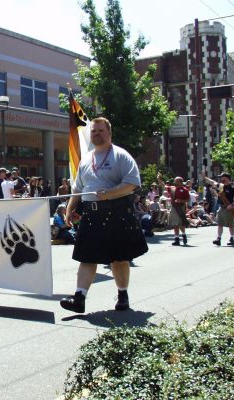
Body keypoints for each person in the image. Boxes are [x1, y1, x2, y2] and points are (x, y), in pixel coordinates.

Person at [60, 117, 148, 313]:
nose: (96, 134)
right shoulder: (86, 159)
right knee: (87, 258)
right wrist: (69, 210)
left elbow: (132, 184)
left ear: (109, 133)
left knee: (119, 259)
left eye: (100, 130)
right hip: (91, 216)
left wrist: (110, 193)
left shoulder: (120, 156)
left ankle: (123, 295)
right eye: (93, 131)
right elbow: (77, 190)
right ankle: (79, 299)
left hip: (117, 213)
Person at [202, 171, 234, 246]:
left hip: (229, 208)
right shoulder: (220, 186)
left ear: (227, 178)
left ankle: (232, 238)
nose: (221, 179)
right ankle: (218, 238)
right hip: (222, 207)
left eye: (222, 177)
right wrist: (204, 177)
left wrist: (232, 205)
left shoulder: (232, 189)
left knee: (231, 225)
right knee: (220, 224)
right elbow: (211, 182)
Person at [157, 174, 190, 246]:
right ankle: (177, 239)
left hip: (181, 207)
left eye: (176, 181)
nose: (174, 182)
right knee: (175, 224)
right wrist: (159, 179)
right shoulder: (172, 188)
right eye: (175, 180)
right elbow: (163, 186)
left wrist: (181, 200)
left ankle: (184, 235)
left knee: (181, 223)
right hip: (174, 207)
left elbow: (188, 199)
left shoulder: (185, 190)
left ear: (180, 182)